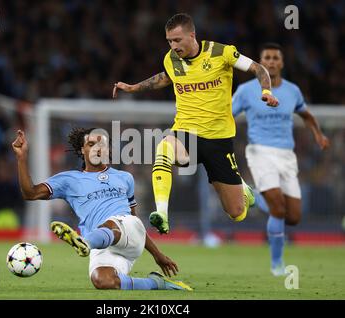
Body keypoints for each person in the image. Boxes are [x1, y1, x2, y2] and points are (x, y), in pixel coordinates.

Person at [113, 13, 278, 234]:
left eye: (177, 40)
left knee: (236, 212)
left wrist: (266, 91)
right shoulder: (171, 59)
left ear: (192, 35)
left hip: (219, 139)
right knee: (164, 147)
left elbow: (259, 69)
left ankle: (243, 189)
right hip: (186, 131)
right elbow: (166, 77)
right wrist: (134, 88)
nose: (173, 46)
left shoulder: (222, 52)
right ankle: (161, 213)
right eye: (169, 41)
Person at [11, 128, 192, 291]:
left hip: (125, 231)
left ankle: (85, 243)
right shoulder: (69, 180)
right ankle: (157, 284)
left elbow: (135, 223)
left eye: (102, 145)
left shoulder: (124, 177)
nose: (98, 148)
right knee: (103, 281)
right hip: (104, 246)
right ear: (82, 150)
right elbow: (30, 193)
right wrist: (21, 158)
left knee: (113, 223)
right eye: (91, 144)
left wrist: (157, 253)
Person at [232, 43, 330, 276]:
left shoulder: (292, 91)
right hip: (259, 152)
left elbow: (305, 114)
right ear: (260, 62)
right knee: (277, 208)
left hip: (287, 155)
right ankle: (277, 265)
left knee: (293, 216)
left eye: (276, 57)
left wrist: (318, 134)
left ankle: (254, 197)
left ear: (282, 63)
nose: (272, 61)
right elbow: (228, 114)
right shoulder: (246, 90)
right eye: (267, 57)